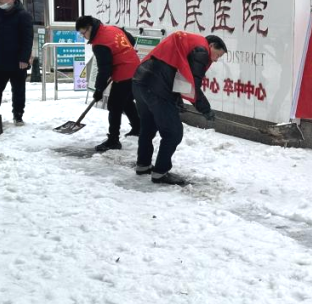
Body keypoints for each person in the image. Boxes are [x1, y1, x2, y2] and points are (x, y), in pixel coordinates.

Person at [132, 30, 227, 185]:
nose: (216, 60)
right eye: (218, 55)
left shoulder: (189, 43)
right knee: (173, 132)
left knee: (148, 126)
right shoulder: (202, 50)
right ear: (211, 45)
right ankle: (160, 172)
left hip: (140, 80)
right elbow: (192, 85)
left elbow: (176, 74)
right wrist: (205, 109)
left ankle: (143, 165)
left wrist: (177, 101)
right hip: (156, 88)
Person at [75, 15, 141, 153]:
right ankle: (138, 128)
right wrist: (123, 54)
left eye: (83, 33)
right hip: (136, 67)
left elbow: (104, 69)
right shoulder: (112, 28)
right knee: (127, 101)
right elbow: (132, 40)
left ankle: (113, 140)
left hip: (124, 72)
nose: (83, 37)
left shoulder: (99, 43)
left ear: (89, 28)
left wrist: (99, 89)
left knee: (114, 105)